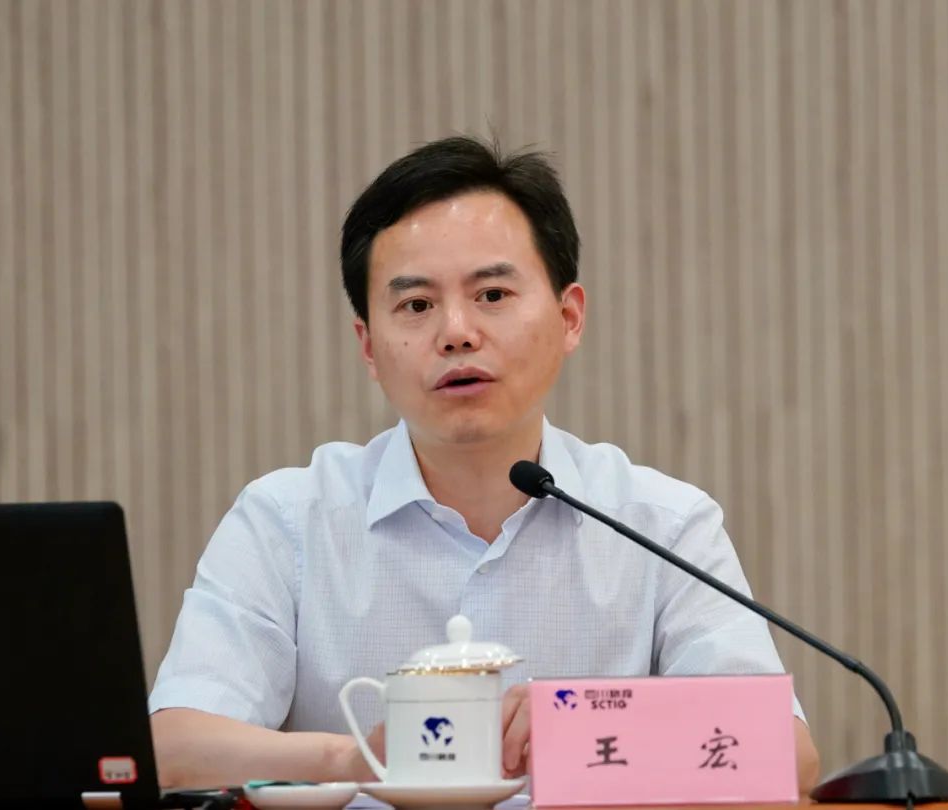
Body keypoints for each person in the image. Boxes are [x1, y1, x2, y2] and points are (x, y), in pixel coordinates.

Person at [148, 135, 821, 791]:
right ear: (369, 347)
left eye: (492, 295)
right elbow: (170, 748)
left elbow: (786, 758)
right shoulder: (288, 521)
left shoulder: (661, 523)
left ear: (569, 318)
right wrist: (358, 759)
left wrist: (586, 728)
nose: (457, 333)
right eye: (416, 305)